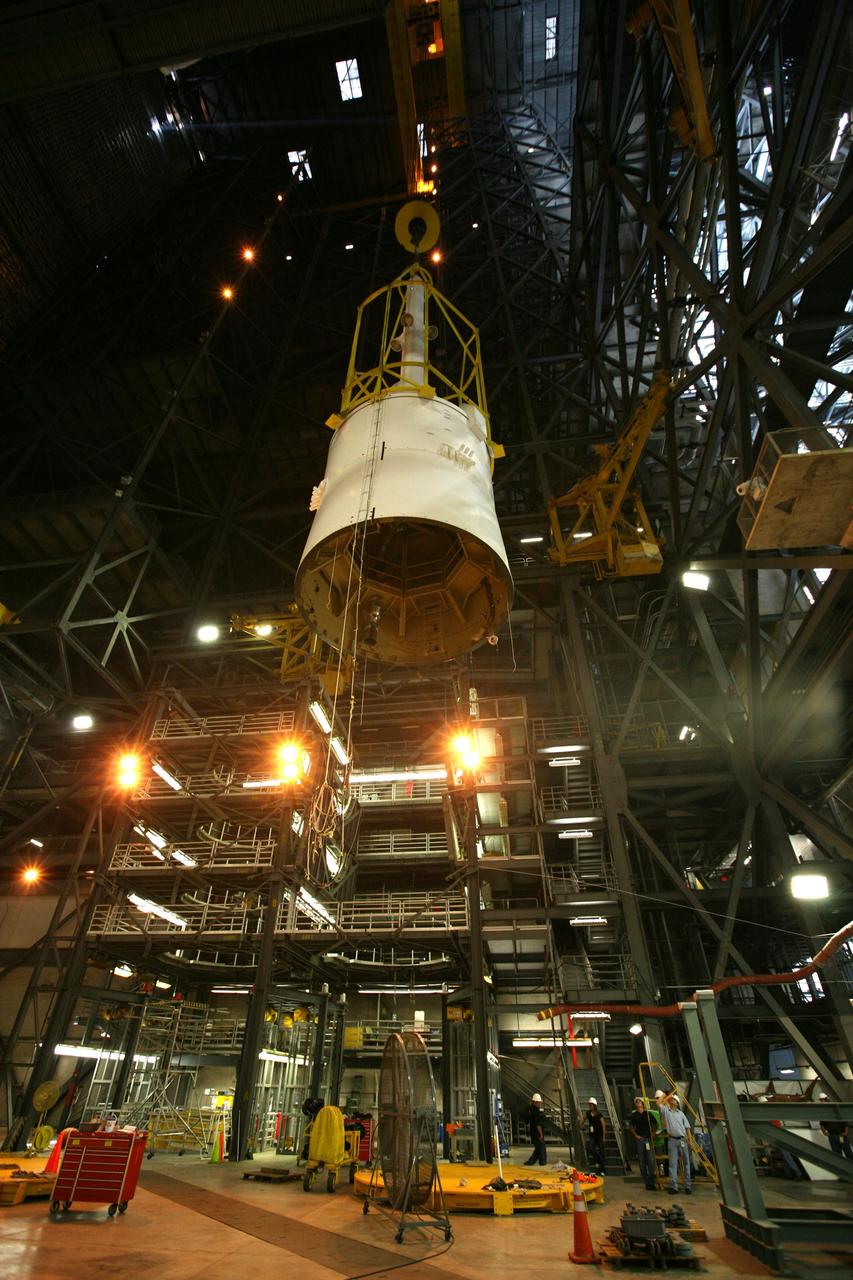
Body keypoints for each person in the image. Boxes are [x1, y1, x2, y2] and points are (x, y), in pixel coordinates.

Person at [660, 1095, 692, 1194]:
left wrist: (690, 1141)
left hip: (682, 1140)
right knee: (673, 1164)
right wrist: (666, 1096)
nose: (672, 1100)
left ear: (677, 1103)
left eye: (674, 1099)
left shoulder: (681, 1114)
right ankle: (674, 1187)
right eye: (671, 1099)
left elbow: (687, 1128)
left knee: (686, 1163)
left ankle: (688, 1186)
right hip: (672, 1141)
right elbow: (659, 1103)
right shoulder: (666, 1112)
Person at [628, 1096, 658, 1190]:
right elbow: (631, 1126)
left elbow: (656, 1123)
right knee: (642, 1161)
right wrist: (636, 1135)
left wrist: (653, 1133)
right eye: (636, 1102)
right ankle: (646, 1183)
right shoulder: (634, 1115)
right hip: (640, 1139)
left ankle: (652, 1182)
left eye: (639, 1102)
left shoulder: (647, 1114)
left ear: (642, 1104)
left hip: (648, 1139)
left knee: (650, 1161)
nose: (638, 1103)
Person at [819, 1093, 853, 1159]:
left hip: (841, 1135)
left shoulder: (835, 1109)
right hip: (832, 1135)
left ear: (827, 1099)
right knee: (837, 1154)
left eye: (823, 1100)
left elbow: (845, 1122)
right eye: (821, 1100)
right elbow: (821, 1124)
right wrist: (824, 1132)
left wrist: (846, 1132)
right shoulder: (823, 1113)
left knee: (848, 1152)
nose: (823, 1101)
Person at [523, 1092, 547, 1166]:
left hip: (533, 1133)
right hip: (537, 1133)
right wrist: (541, 1134)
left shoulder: (530, 1110)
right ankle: (542, 1163)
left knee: (538, 1148)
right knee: (541, 1148)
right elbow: (537, 1124)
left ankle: (531, 1162)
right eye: (539, 1102)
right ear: (535, 1102)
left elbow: (527, 1121)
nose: (539, 1104)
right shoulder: (535, 1111)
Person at [583, 1097, 606, 1175]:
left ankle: (602, 1170)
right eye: (589, 1105)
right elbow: (583, 1119)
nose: (590, 1106)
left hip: (599, 1135)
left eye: (591, 1105)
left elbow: (603, 1125)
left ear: (594, 1105)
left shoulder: (599, 1114)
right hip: (592, 1135)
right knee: (592, 1148)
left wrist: (604, 1136)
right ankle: (598, 1161)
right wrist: (581, 1125)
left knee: (601, 1151)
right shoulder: (588, 1113)